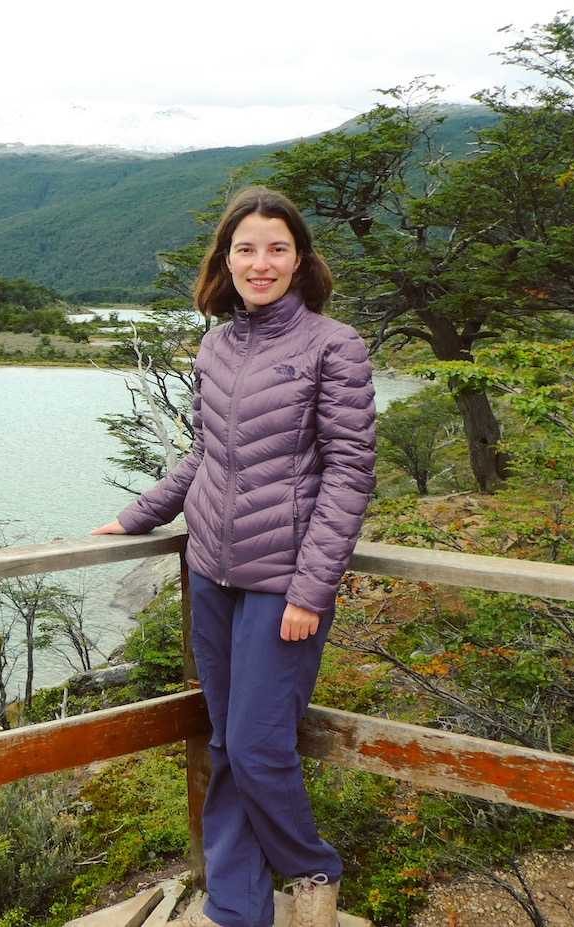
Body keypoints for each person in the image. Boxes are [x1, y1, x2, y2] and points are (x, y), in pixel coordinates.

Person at [93, 186, 376, 927]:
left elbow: (349, 474)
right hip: (212, 574)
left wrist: (311, 590)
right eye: (245, 247)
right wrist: (138, 515)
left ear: (300, 259)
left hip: (283, 583)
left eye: (276, 247)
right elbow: (204, 457)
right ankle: (235, 907)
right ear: (225, 258)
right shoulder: (217, 346)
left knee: (257, 746)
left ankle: (314, 867)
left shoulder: (332, 345)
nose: (260, 262)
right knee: (225, 743)